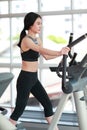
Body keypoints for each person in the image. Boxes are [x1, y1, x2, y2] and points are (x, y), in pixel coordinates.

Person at [9, 12, 70, 130]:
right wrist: (59, 52)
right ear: (30, 25)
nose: (40, 26)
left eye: (41, 24)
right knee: (19, 109)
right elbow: (40, 49)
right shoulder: (26, 40)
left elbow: (46, 56)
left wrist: (62, 54)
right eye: (38, 23)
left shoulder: (38, 39)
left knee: (47, 105)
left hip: (33, 78)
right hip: (25, 78)